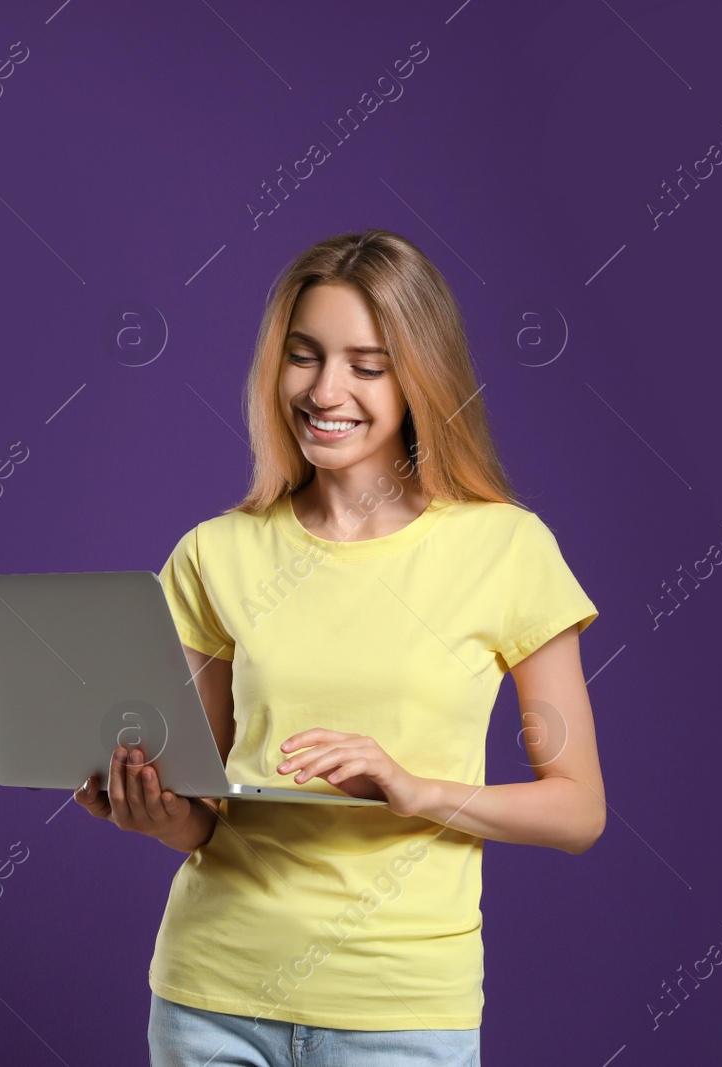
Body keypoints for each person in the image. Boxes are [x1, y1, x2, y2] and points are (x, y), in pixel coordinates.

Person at [74, 229, 605, 1066]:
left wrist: (414, 788)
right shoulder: (217, 552)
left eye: (368, 364)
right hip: (212, 998)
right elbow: (207, 815)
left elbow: (578, 811)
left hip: (399, 1010)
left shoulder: (508, 549)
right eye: (304, 355)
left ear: (421, 375)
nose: (326, 389)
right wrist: (152, 808)